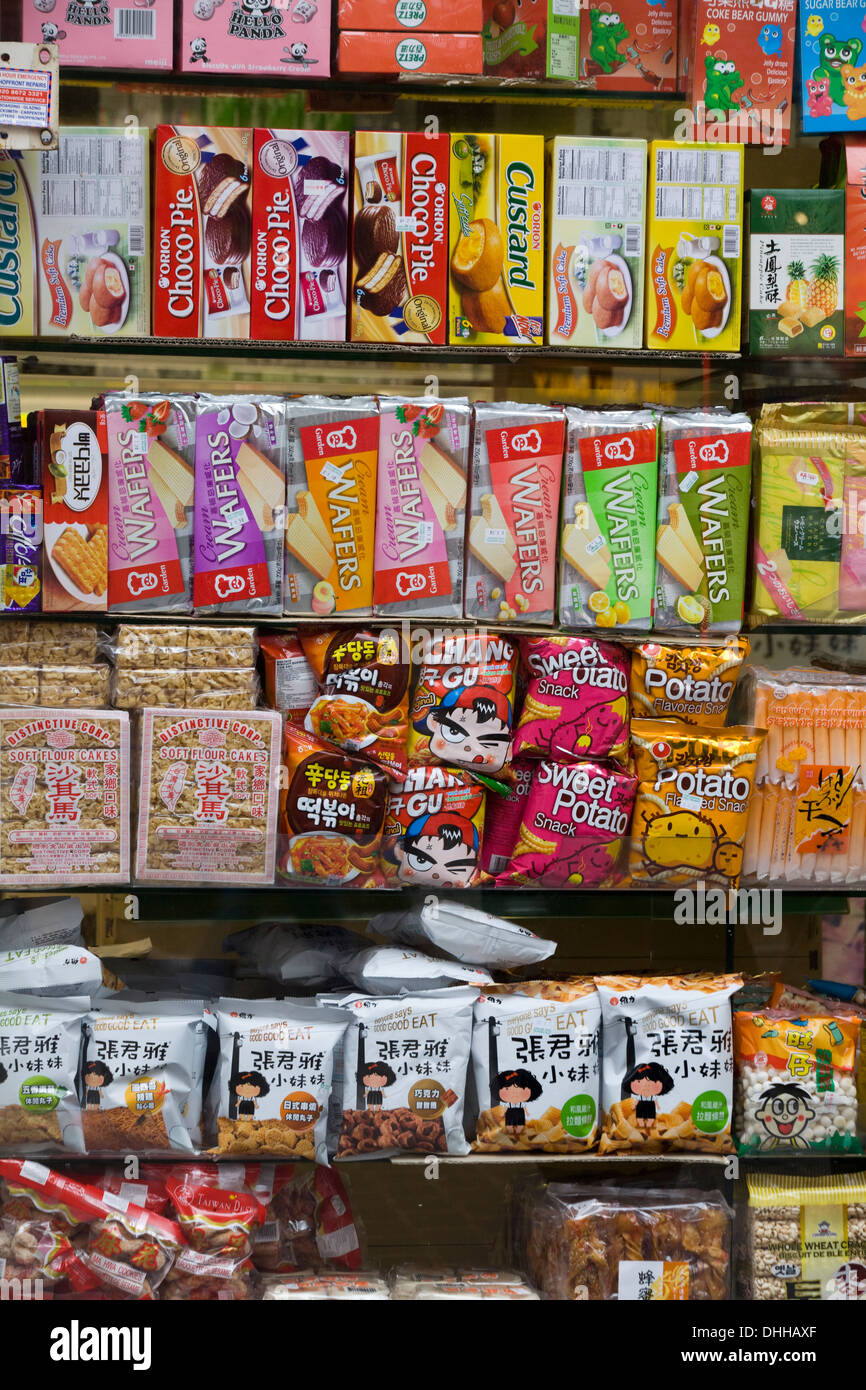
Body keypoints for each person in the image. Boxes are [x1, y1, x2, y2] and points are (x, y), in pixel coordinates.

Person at [414, 686, 511, 772]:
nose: (468, 748)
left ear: (508, 748)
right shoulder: (419, 756)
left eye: (488, 744)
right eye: (454, 732)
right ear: (433, 723)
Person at [621, 1060, 674, 1128]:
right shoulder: (640, 1097)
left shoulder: (652, 1097)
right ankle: (641, 1125)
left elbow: (655, 1101)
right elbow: (637, 1101)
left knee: (651, 1117)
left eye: (651, 1082)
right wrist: (634, 1105)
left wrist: (657, 1106)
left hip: (650, 1105)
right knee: (640, 1116)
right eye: (639, 1081)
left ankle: (649, 1126)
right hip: (641, 1105)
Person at [492, 1068, 543, 1135]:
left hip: (520, 1112)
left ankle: (518, 1132)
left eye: (522, 1088)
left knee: (520, 1123)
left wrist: (527, 1113)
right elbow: (505, 1108)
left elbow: (524, 1107)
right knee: (509, 1124)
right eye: (507, 1088)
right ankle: (510, 1132)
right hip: (510, 1112)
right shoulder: (508, 1103)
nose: (514, 1093)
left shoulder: (521, 1103)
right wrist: (502, 1113)